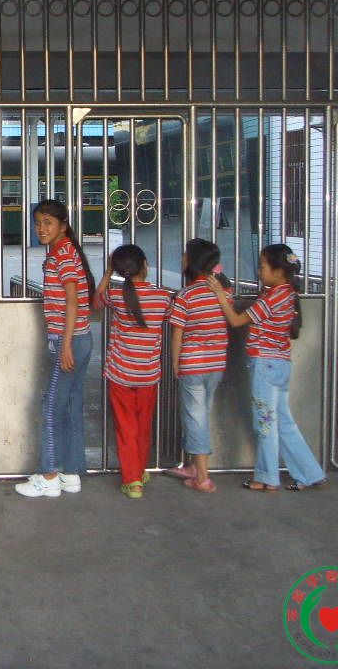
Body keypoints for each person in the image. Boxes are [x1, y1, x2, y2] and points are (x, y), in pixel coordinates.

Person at [208, 244, 327, 493]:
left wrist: (219, 293)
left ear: (278, 271)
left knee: (265, 423)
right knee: (283, 422)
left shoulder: (273, 297)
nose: (259, 271)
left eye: (263, 266)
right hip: (280, 363)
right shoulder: (286, 293)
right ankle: (309, 472)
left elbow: (236, 320)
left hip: (265, 364)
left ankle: (267, 477)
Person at [16, 200, 95, 499]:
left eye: (48, 222)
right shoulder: (65, 252)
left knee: (51, 406)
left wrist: (65, 344)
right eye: (38, 223)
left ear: (63, 226)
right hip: (79, 338)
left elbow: (73, 301)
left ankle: (48, 474)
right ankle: (70, 473)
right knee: (71, 406)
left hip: (69, 340)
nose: (41, 228)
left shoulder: (62, 254)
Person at [92, 245, 171, 499]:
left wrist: (107, 273)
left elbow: (96, 301)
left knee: (126, 427)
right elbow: (169, 317)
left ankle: (132, 480)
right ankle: (139, 469)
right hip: (148, 375)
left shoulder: (116, 295)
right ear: (145, 265)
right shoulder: (162, 297)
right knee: (144, 425)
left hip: (120, 373)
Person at [166, 238, 229, 492]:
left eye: (185, 254)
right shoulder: (223, 293)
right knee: (201, 414)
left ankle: (202, 477)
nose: (182, 258)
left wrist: (175, 362)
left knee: (195, 419)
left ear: (192, 261)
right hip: (217, 364)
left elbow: (177, 333)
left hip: (192, 365)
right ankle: (193, 466)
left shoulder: (186, 295)